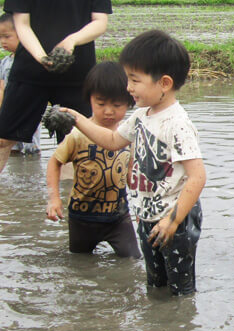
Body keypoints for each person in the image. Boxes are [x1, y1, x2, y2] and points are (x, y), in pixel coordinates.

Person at [61, 30, 206, 295]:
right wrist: (76, 119)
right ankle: (157, 330)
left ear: (164, 83)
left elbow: (197, 177)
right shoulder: (141, 116)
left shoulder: (177, 124)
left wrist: (172, 221)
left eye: (134, 80)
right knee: (155, 285)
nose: (128, 87)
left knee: (180, 292)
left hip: (176, 220)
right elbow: (114, 140)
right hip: (148, 217)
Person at [0, 0, 111, 174]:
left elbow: (100, 22)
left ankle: (69, 197)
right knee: (3, 138)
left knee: (75, 141)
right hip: (29, 72)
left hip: (76, 73)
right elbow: (21, 23)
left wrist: (72, 40)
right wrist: (41, 57)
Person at [46, 62, 140, 258]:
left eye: (117, 105)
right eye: (101, 103)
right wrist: (54, 198)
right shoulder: (77, 134)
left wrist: (141, 205)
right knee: (80, 264)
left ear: (130, 102)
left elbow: (132, 172)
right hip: (82, 217)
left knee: (131, 260)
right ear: (90, 100)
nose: (108, 111)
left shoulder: (129, 135)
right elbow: (55, 162)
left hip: (118, 217)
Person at [0, 13, 41, 155]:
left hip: (27, 111)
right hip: (9, 111)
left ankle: (31, 175)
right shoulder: (4, 62)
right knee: (9, 148)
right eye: (0, 37)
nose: (2, 41)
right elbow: (1, 88)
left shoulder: (32, 61)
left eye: (7, 36)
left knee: (31, 151)